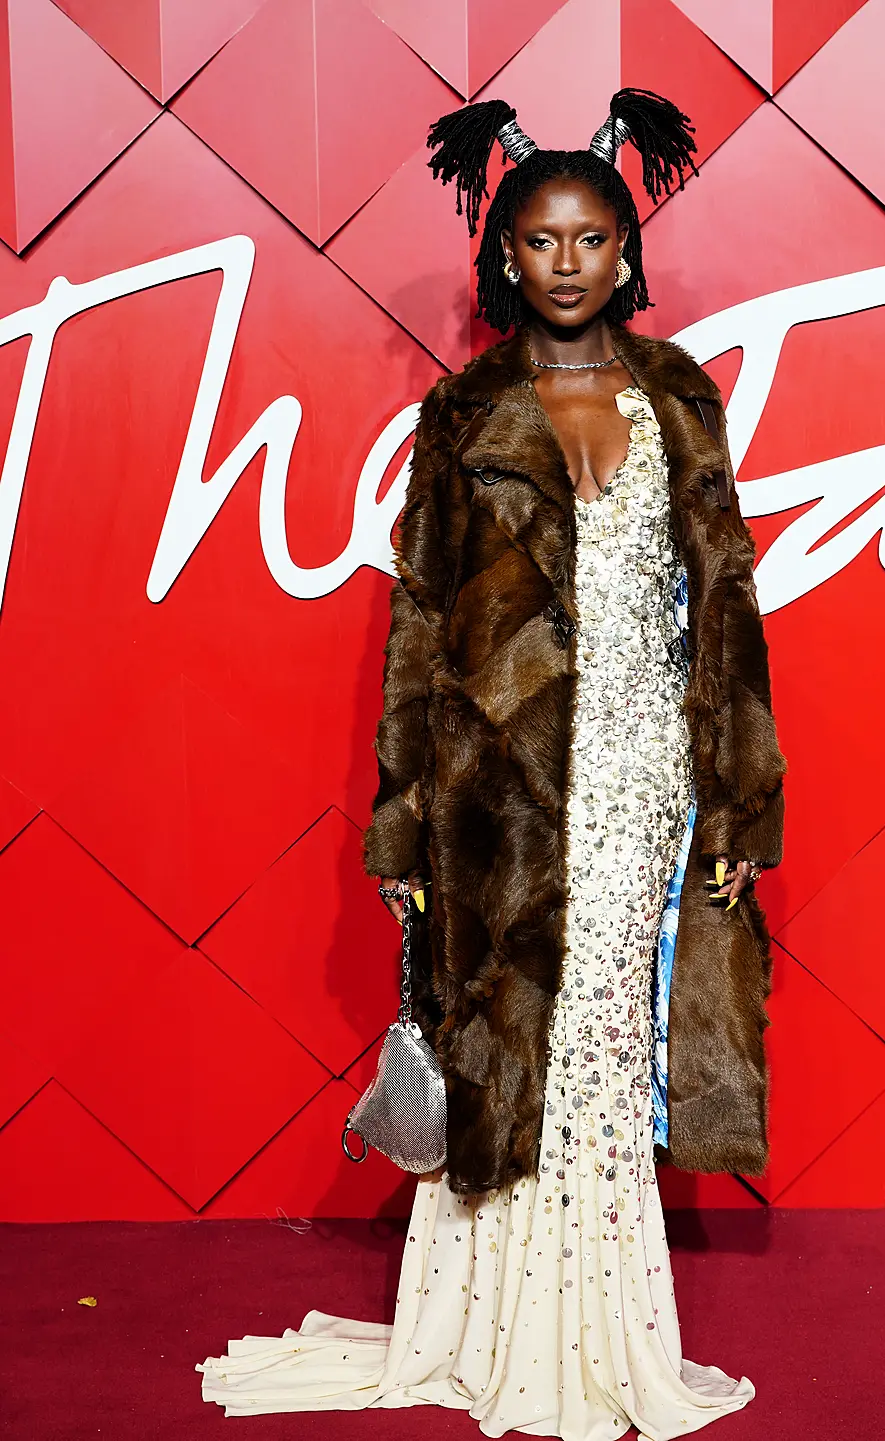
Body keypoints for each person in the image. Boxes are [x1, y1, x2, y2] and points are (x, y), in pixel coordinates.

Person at [197, 89, 787, 1439]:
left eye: (591, 238)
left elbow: (729, 608)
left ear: (625, 253)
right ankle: (487, 1322)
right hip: (502, 784)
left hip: (644, 774)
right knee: (507, 1029)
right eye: (540, 239)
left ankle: (601, 1330)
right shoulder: (463, 415)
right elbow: (417, 627)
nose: (568, 260)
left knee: (597, 1039)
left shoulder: (682, 399)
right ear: (504, 256)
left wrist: (740, 788)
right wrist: (403, 825)